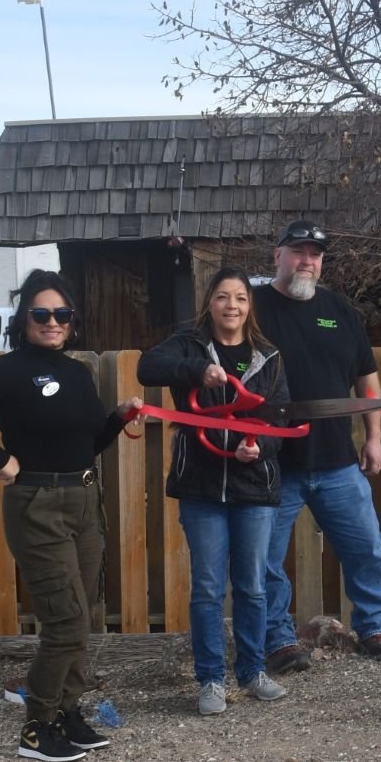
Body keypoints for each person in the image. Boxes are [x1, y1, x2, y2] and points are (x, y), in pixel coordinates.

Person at [0, 270, 144, 762]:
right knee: (65, 619)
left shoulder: (76, 372)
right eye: (42, 314)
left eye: (62, 315)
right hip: (38, 504)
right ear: (25, 318)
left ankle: (68, 713)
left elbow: (89, 443)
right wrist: (0, 458)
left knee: (83, 612)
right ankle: (36, 727)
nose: (53, 323)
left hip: (84, 501)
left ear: (72, 322)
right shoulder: (10, 369)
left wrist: (119, 417)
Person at [138, 267, 292, 715]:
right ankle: (210, 679)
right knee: (207, 587)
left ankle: (251, 670)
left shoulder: (270, 355)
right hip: (201, 487)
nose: (232, 306)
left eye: (241, 298)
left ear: (249, 306)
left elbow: (279, 419)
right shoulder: (188, 344)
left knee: (253, 586)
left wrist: (258, 448)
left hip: (254, 487)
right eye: (223, 297)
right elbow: (147, 367)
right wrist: (197, 370)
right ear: (210, 302)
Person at [252, 220, 381, 672]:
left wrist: (373, 438)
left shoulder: (340, 310)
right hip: (274, 464)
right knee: (265, 560)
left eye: (314, 254)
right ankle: (278, 641)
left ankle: (373, 628)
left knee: (366, 548)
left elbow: (365, 378)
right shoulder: (252, 308)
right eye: (297, 251)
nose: (306, 261)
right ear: (278, 255)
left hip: (337, 462)